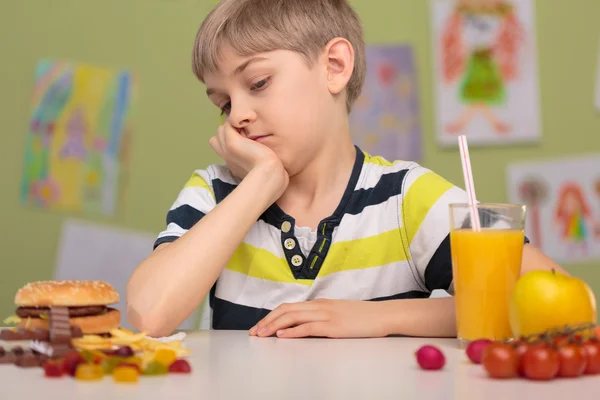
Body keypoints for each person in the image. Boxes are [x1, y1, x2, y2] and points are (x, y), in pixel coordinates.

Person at [126, 0, 568, 339]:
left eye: (257, 83)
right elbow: (148, 315)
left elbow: (551, 297)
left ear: (334, 67)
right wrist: (260, 183)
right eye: (223, 104)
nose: (237, 115)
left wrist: (381, 317)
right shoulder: (216, 193)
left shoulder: (405, 198)